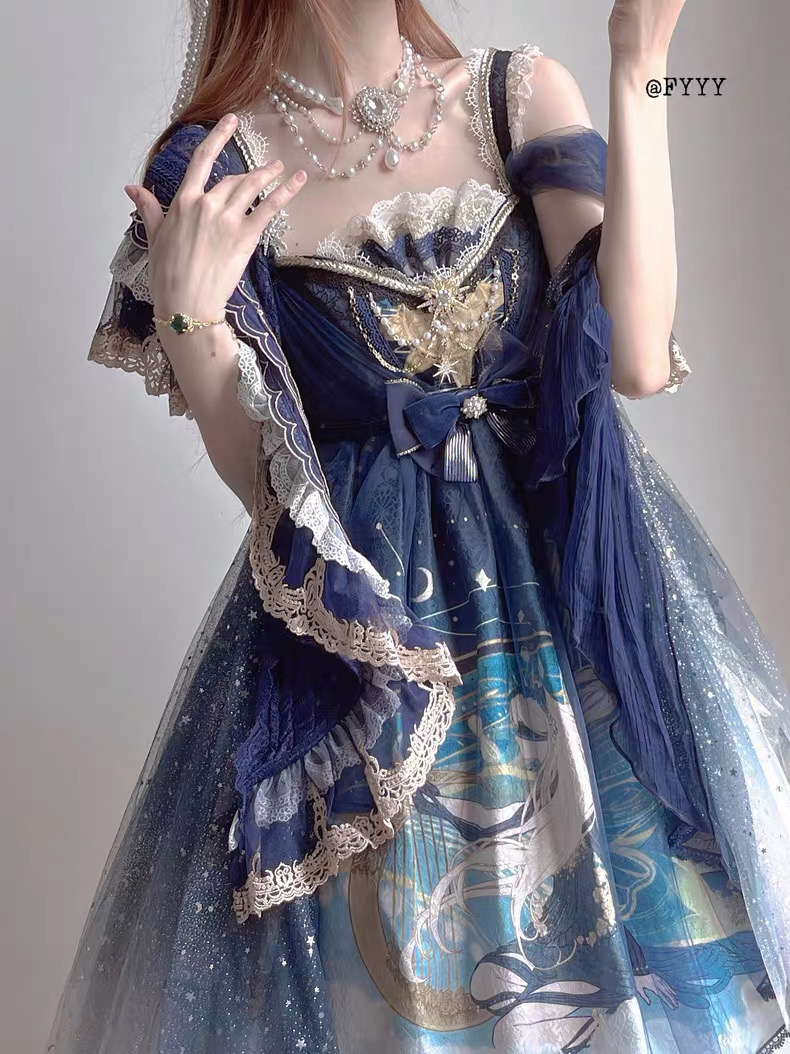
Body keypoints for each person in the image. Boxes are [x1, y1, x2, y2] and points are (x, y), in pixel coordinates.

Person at [47, 1, 790, 1051]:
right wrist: (187, 316)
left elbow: (633, 355)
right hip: (373, 653)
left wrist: (642, 68)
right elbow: (266, 486)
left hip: (575, 590)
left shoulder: (514, 94)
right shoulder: (214, 166)